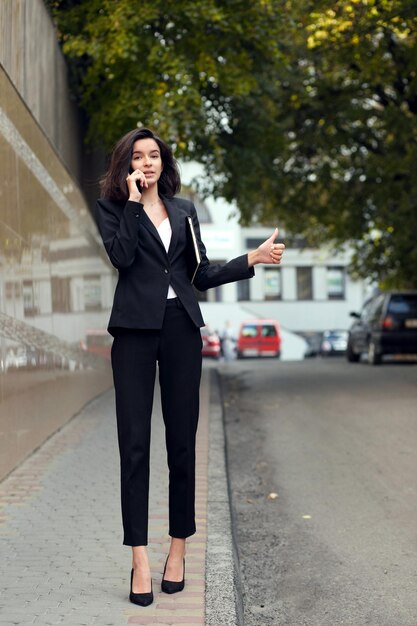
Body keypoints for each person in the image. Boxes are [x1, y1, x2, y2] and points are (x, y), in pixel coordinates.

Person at [95, 127, 285, 606]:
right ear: (126, 166)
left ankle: (177, 550)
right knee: (134, 447)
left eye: (153, 155)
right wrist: (135, 204)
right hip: (134, 335)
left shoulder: (184, 211)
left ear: (164, 162)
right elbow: (121, 257)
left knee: (182, 445)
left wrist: (250, 259)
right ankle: (139, 557)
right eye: (137, 157)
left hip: (181, 328)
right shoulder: (114, 210)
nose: (146, 163)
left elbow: (199, 273)